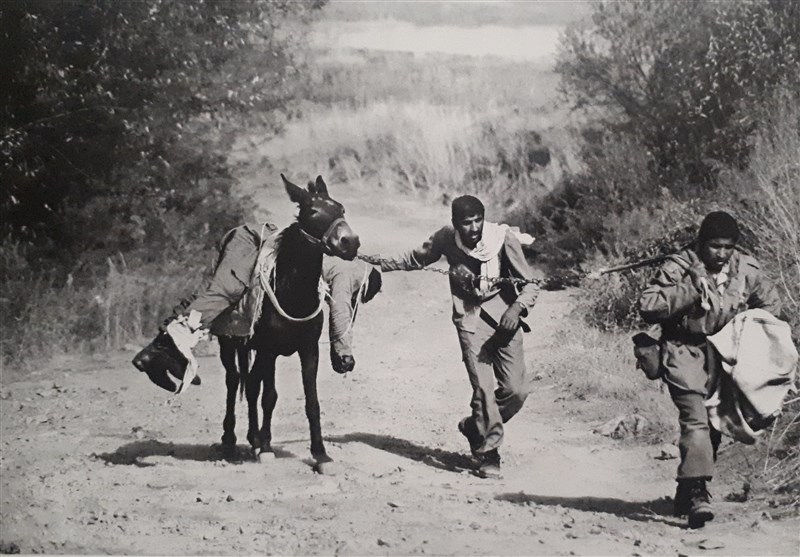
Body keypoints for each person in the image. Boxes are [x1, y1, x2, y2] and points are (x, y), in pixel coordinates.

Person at [367, 195, 539, 479]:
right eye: (466, 223)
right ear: (455, 224)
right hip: (469, 321)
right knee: (483, 389)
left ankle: (475, 426)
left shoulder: (502, 239)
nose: (473, 228)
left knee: (517, 391)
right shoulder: (447, 238)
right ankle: (489, 451)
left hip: (505, 321)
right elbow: (416, 258)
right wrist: (377, 262)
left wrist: (518, 308)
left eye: (477, 221)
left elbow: (531, 284)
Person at [638, 211, 782, 528]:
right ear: (703, 243)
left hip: (727, 354)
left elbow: (772, 306)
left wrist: (754, 332)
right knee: (696, 419)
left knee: (715, 423)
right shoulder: (680, 265)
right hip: (683, 349)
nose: (721, 253)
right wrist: (690, 289)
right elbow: (648, 304)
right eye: (715, 246)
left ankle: (687, 486)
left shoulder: (746, 267)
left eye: (728, 247)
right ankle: (699, 493)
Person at [133, 222, 381, 391]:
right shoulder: (350, 273)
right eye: (362, 297)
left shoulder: (343, 259)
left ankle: (156, 352)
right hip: (256, 239)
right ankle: (160, 351)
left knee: (221, 291)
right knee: (226, 292)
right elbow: (340, 312)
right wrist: (343, 353)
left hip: (259, 240)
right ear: (365, 283)